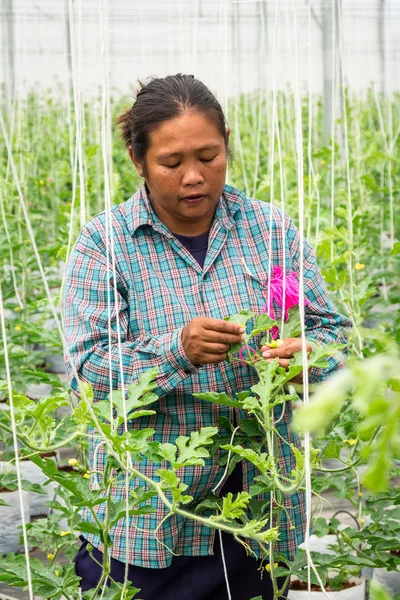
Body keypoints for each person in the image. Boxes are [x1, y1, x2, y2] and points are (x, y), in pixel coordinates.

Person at [63, 73, 352, 600]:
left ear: (227, 147)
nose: (194, 177)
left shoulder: (271, 230)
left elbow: (330, 334)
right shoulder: (104, 244)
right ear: (138, 160)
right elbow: (90, 371)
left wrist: (311, 360)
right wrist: (179, 352)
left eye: (209, 156)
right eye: (172, 163)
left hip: (259, 514)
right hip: (149, 520)